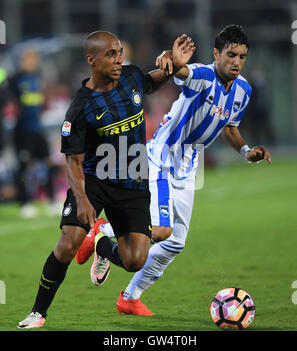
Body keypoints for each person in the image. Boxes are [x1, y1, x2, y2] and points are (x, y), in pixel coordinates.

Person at [76, 25, 272, 316]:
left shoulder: (243, 89)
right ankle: (103, 231)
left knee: (175, 243)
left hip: (188, 167)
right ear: (216, 54)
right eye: (231, 55)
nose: (236, 62)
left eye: (242, 56)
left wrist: (246, 150)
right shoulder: (203, 77)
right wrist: (169, 59)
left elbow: (229, 126)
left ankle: (129, 296)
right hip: (161, 160)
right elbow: (181, 71)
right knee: (162, 231)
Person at [17, 30, 195, 328]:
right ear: (92, 60)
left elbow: (153, 80)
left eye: (119, 53)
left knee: (134, 260)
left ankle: (99, 239)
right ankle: (38, 313)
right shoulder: (80, 108)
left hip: (134, 181)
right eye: (110, 55)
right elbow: (72, 160)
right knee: (67, 243)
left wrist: (173, 64)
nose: (118, 59)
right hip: (95, 181)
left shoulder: (132, 77)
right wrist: (83, 200)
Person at [8, 49, 57, 217]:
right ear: (22, 61)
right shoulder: (15, 80)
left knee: (49, 163)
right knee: (24, 166)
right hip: (23, 129)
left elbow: (42, 101)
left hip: (38, 128)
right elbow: (10, 102)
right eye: (28, 59)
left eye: (34, 59)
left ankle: (51, 201)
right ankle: (25, 203)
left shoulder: (38, 78)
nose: (31, 62)